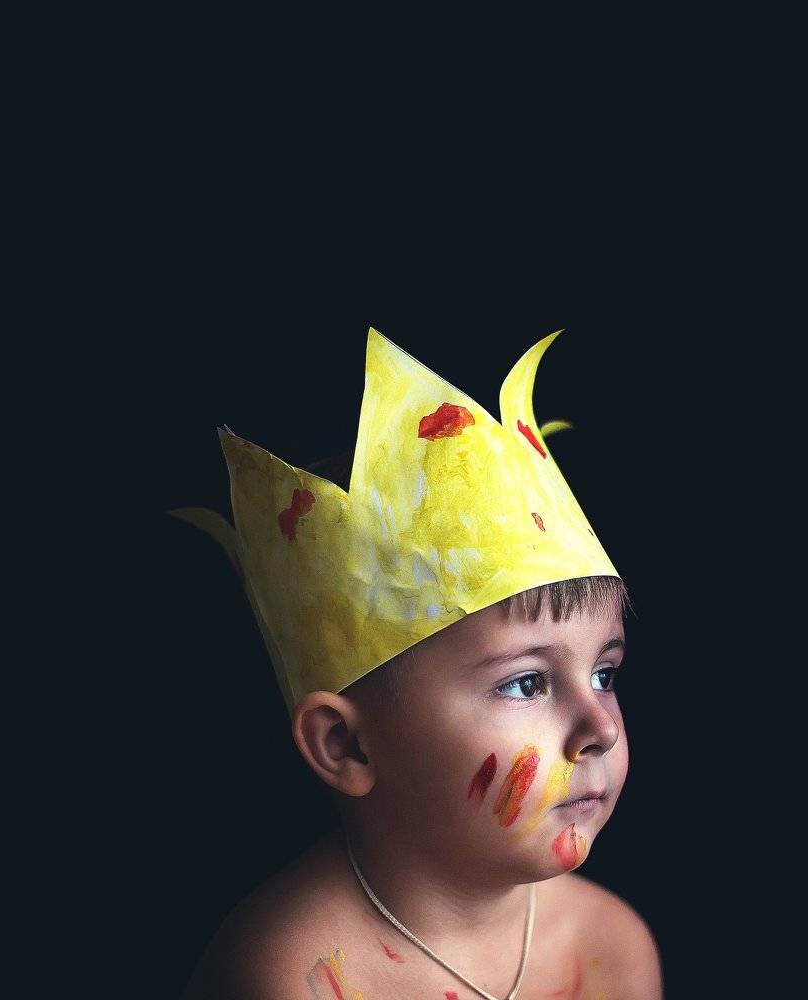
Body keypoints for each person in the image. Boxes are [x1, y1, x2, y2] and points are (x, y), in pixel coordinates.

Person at [172, 328, 661, 999]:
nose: (600, 727)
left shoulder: (611, 950)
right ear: (346, 744)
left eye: (604, 674)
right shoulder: (289, 977)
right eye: (526, 682)